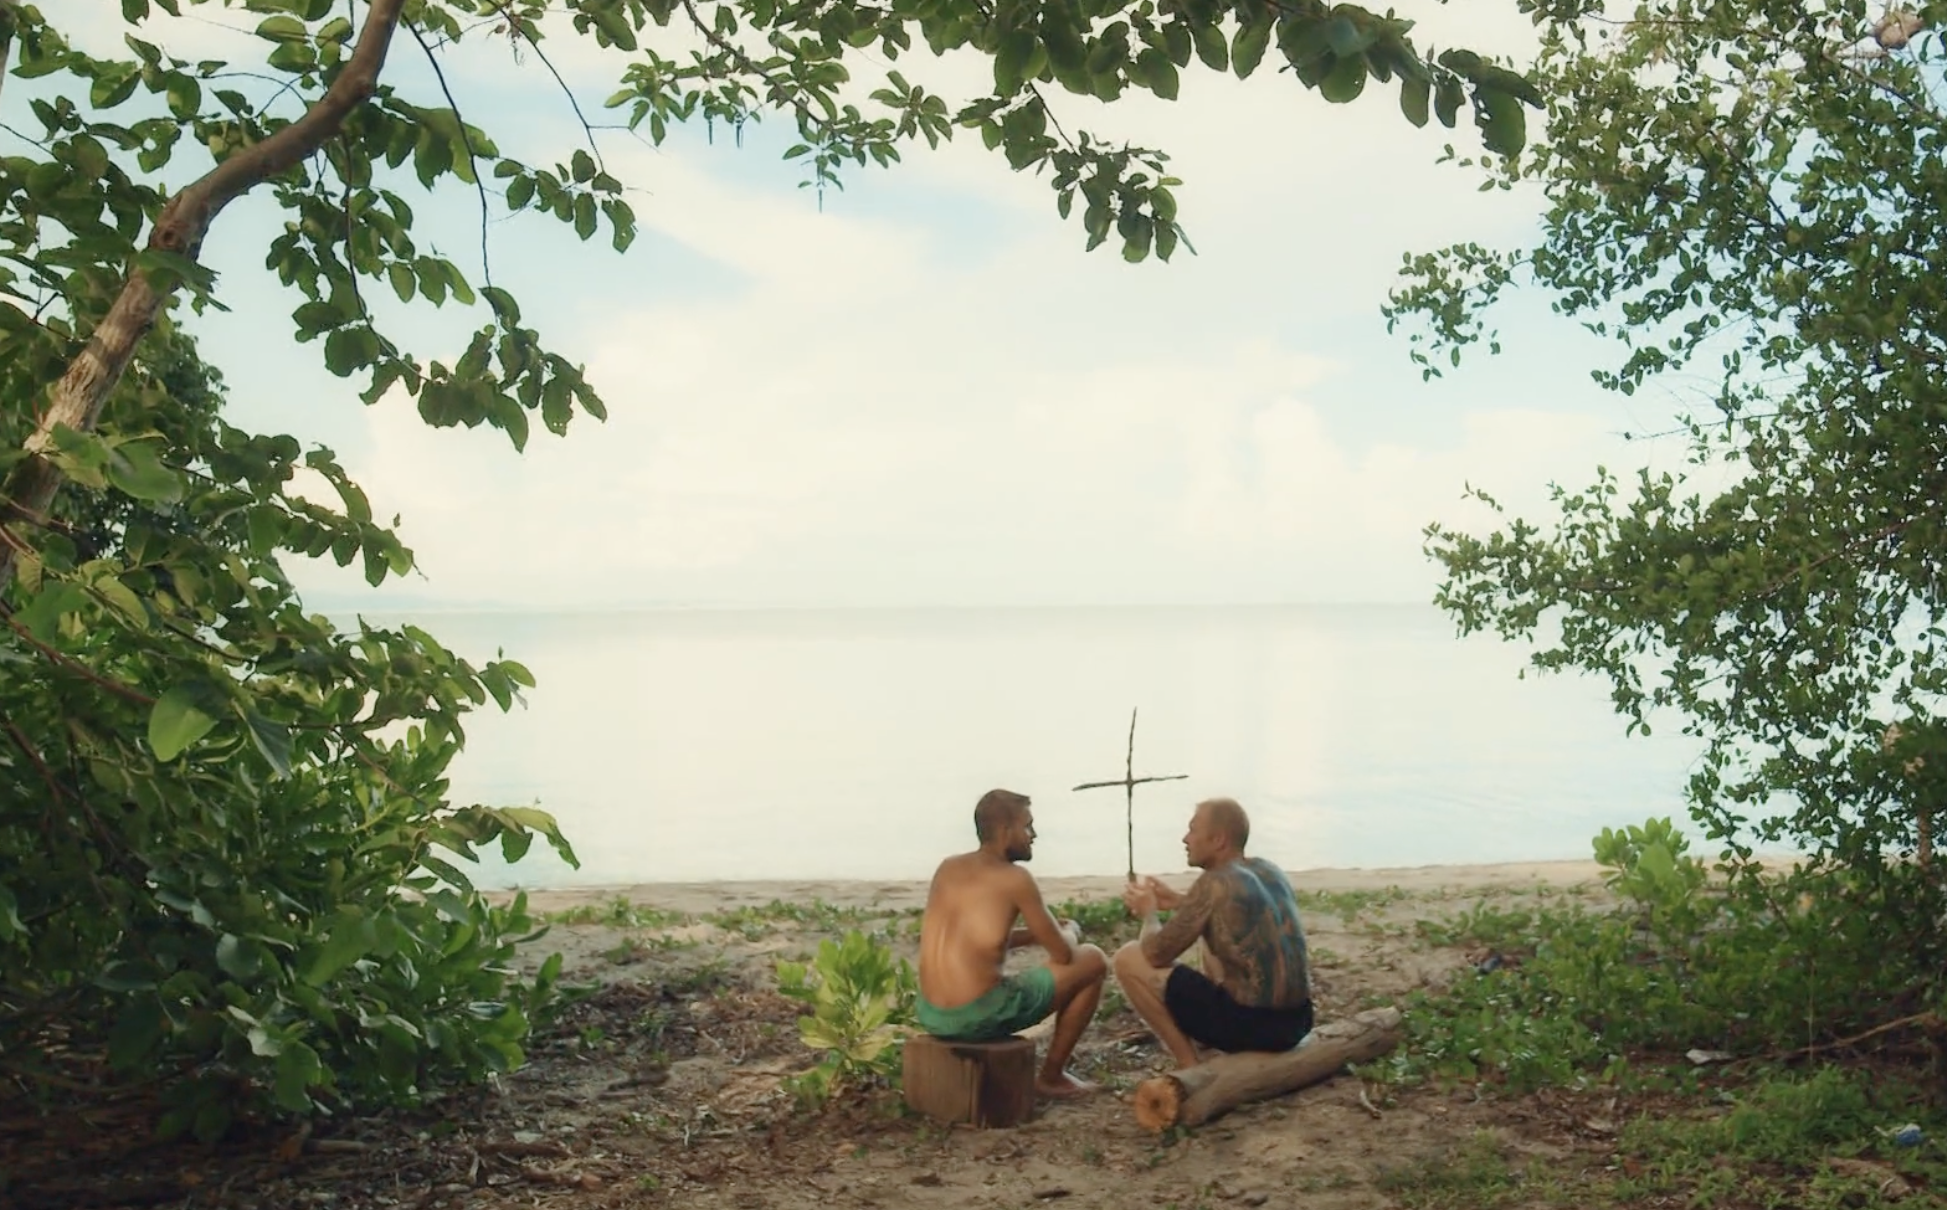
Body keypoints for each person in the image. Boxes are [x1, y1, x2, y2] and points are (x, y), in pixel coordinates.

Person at [916, 788, 1108, 1098]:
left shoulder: (948, 868)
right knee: (1093, 960)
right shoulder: (1015, 878)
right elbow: (1063, 955)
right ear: (1006, 831)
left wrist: (1034, 934)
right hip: (976, 1015)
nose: (1034, 834)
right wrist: (1071, 930)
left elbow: (973, 944)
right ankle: (1052, 1076)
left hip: (931, 1012)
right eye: (1028, 825)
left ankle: (1052, 1075)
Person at [1113, 797, 1313, 1068]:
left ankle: (1188, 1064)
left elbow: (1155, 954)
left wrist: (1148, 914)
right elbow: (1233, 915)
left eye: (1193, 830)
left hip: (1255, 1028)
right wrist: (1179, 901)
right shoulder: (1269, 870)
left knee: (1128, 958)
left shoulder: (1214, 881)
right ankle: (1207, 1039)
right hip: (1298, 1020)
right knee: (1212, 933)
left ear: (1218, 840)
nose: (1185, 839)